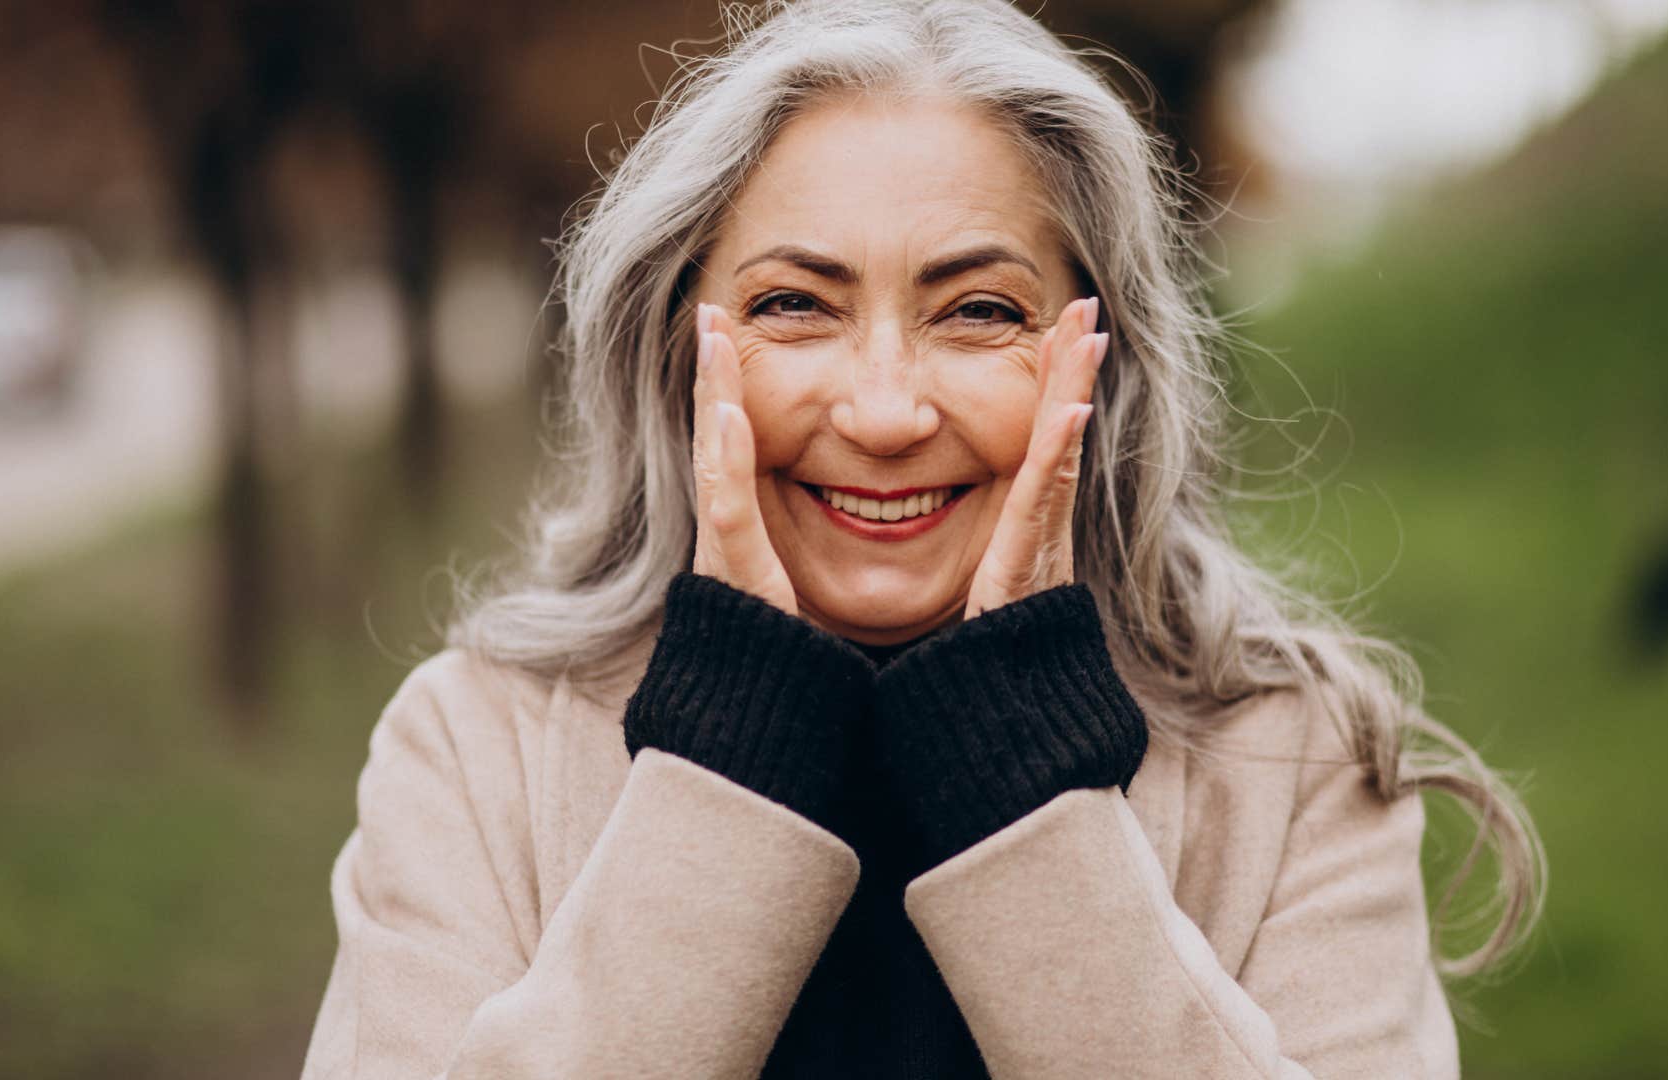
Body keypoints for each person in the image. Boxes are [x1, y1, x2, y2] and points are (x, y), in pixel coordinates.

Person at [300, 1, 1546, 1076]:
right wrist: (729, 758)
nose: (886, 412)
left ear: (1100, 366)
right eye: (796, 305)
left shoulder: (1292, 756)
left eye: (977, 311)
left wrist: (1022, 772)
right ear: (675, 350)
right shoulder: (476, 740)